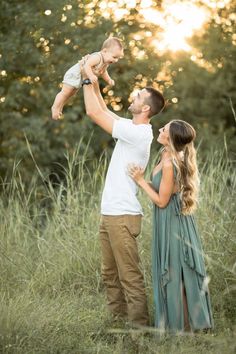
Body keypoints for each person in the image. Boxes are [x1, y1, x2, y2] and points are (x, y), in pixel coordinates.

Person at [81, 74, 165, 326]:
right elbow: (104, 109)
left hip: (123, 215)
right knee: (109, 273)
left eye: (138, 96)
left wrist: (85, 80)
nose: (133, 96)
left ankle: (140, 330)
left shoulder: (138, 133)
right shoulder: (131, 128)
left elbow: (93, 113)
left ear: (146, 108)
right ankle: (118, 324)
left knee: (129, 275)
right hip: (111, 213)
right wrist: (95, 83)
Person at [128, 120, 213, 332]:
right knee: (178, 273)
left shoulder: (169, 162)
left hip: (173, 223)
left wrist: (140, 181)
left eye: (164, 129)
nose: (160, 129)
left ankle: (184, 329)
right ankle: (185, 327)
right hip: (173, 219)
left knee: (177, 273)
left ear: (171, 137)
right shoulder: (167, 155)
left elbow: (161, 201)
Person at [51, 37, 124, 120]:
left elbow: (103, 72)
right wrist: (91, 76)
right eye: (114, 57)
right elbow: (87, 65)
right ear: (104, 51)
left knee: (71, 93)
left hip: (80, 77)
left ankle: (60, 105)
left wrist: (108, 80)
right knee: (65, 92)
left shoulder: (106, 62)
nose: (116, 60)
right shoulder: (97, 57)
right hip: (74, 74)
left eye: (118, 58)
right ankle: (55, 107)